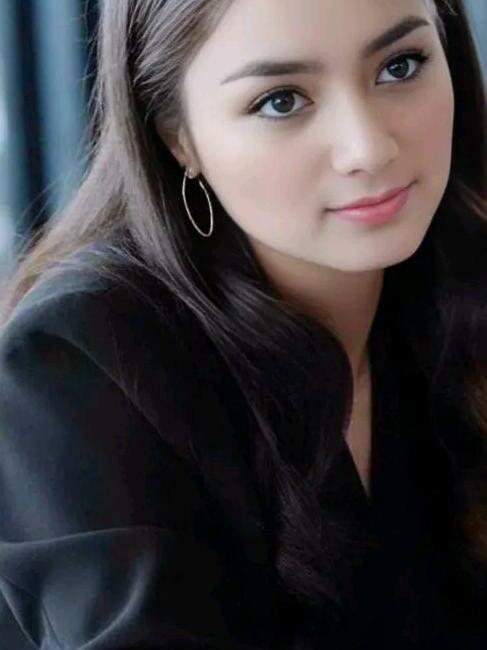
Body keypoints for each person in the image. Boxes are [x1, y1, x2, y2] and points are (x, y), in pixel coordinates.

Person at [0, 0, 486, 647]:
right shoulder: (78, 363)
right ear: (177, 137)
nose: (368, 147)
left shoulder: (455, 276)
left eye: (400, 66)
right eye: (280, 101)